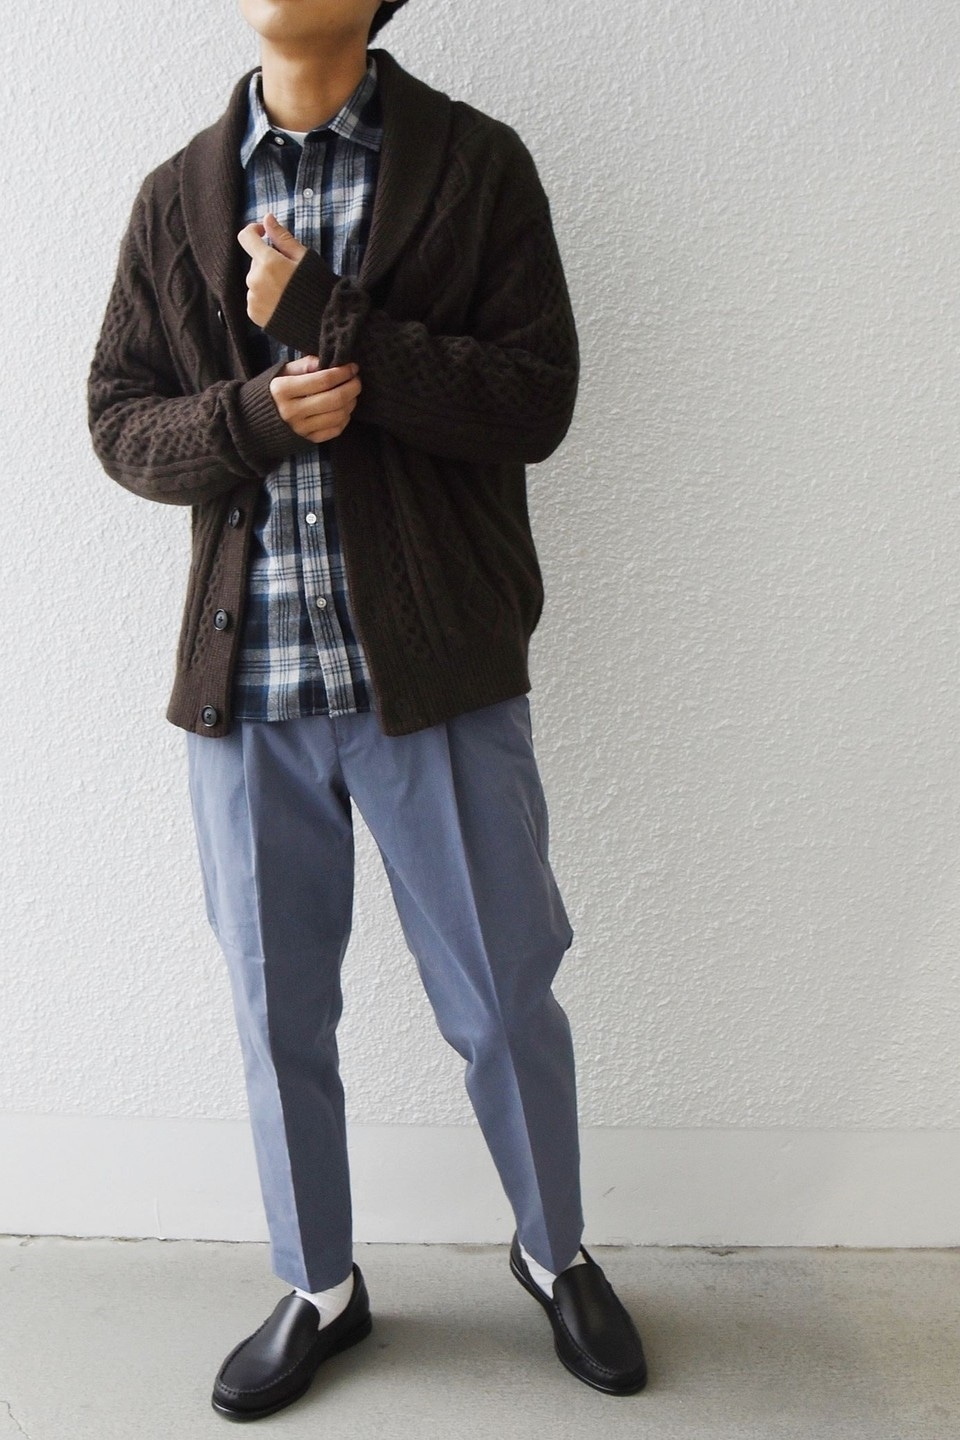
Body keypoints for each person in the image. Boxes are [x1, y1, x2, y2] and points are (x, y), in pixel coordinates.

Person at [87, 0, 647, 1420]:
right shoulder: (176, 197)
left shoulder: (474, 166)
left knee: (504, 992)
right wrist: (256, 418)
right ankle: (319, 1284)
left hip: (434, 675)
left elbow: (534, 399)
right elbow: (120, 421)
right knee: (278, 1012)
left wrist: (333, 319)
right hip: (250, 687)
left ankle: (555, 1251)